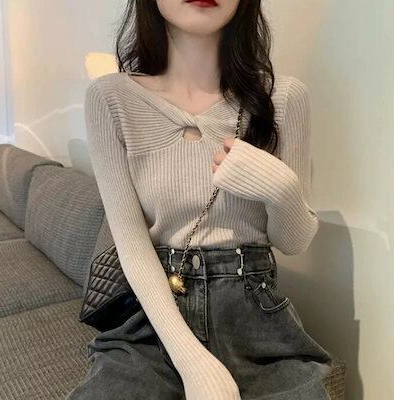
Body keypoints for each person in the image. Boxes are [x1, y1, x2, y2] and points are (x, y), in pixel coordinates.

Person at [66, 1, 333, 399]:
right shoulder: (111, 98)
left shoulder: (283, 97)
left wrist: (283, 190)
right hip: (155, 321)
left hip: (257, 318)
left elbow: (292, 242)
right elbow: (131, 244)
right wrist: (193, 361)